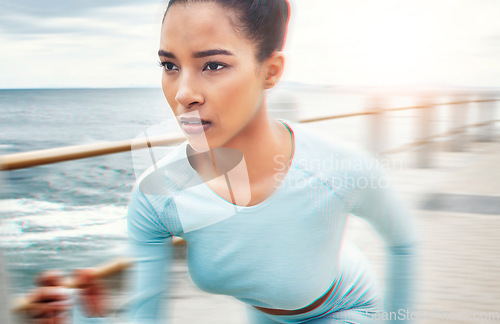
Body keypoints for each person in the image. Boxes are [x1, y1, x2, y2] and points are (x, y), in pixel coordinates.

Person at [25, 0, 419, 323]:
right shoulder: (157, 195)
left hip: (349, 311)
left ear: (270, 71)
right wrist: (84, 318)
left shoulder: (338, 167)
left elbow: (404, 243)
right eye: (169, 66)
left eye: (213, 65)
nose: (184, 94)